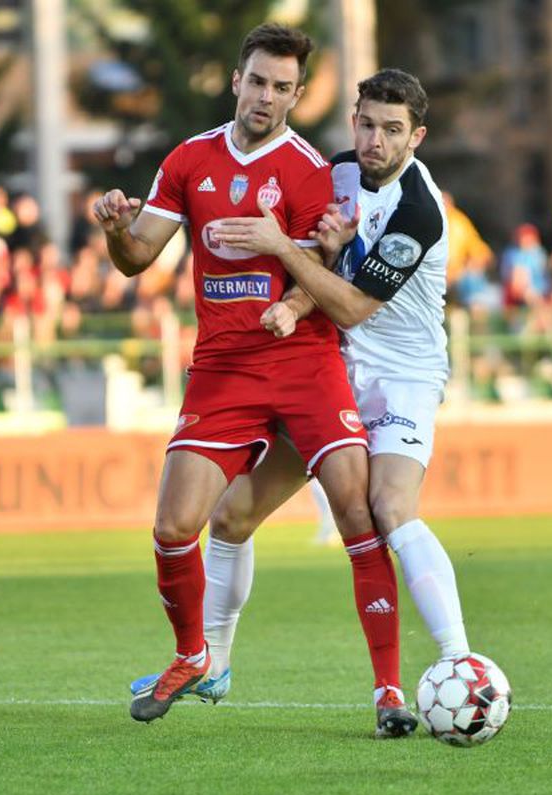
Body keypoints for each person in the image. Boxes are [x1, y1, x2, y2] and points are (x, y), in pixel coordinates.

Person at [95, 25, 415, 736]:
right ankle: (194, 655)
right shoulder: (188, 160)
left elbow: (324, 271)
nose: (266, 96)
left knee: (357, 514)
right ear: (235, 81)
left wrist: (291, 305)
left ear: (297, 96)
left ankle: (389, 692)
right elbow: (137, 257)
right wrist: (117, 228)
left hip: (305, 366)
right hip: (223, 370)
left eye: (281, 87)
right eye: (258, 81)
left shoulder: (306, 172)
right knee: (175, 525)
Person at [136, 68, 476, 714]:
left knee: (387, 508)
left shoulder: (419, 210)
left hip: (401, 377)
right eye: (367, 124)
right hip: (333, 367)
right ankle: (214, 663)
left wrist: (279, 249)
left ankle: (456, 660)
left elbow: (349, 307)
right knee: (232, 516)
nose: (375, 140)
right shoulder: (336, 173)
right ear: (353, 120)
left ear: (418, 137)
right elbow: (320, 266)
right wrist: (294, 302)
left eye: (393, 130)